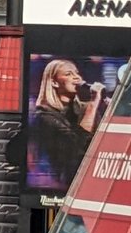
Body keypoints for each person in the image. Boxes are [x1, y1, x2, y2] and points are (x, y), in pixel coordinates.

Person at [31, 58, 105, 190]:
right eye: (68, 74)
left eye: (77, 73)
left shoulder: (86, 110)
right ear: (54, 82)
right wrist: (93, 105)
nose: (76, 77)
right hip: (62, 185)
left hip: (92, 181)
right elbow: (75, 146)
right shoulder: (44, 116)